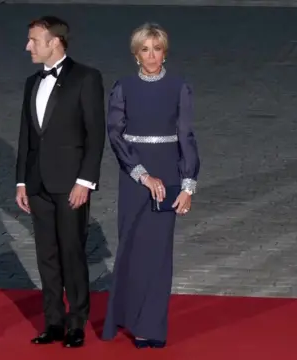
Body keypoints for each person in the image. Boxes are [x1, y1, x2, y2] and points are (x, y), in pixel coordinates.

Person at [102, 22, 201, 349]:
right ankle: (126, 316)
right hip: (135, 177)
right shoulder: (124, 87)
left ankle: (152, 326)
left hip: (169, 176)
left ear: (165, 52)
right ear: (136, 54)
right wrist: (142, 174)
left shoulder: (179, 87)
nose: (152, 55)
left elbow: (186, 136)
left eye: (157, 49)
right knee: (131, 248)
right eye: (145, 49)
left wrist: (188, 184)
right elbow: (115, 135)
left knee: (158, 254)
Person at [15, 16, 106, 348]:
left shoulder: (86, 78)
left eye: (33, 40)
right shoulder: (30, 82)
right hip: (38, 184)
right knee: (46, 256)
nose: (27, 46)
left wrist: (86, 180)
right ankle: (52, 321)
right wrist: (21, 183)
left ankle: (77, 321)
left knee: (72, 253)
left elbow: (96, 134)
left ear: (54, 42)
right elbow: (26, 136)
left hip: (71, 185)